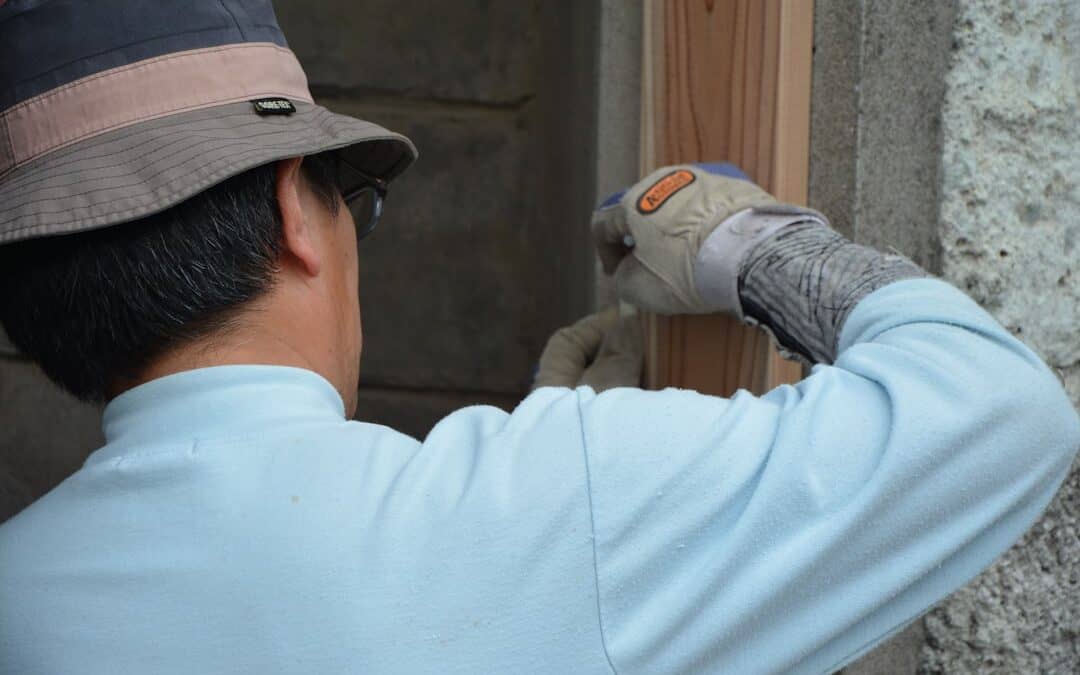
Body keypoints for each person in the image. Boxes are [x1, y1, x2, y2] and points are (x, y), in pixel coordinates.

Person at [0, 1, 1076, 673]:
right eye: (350, 200)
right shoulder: (547, 501)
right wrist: (751, 247)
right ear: (295, 208)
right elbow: (996, 409)